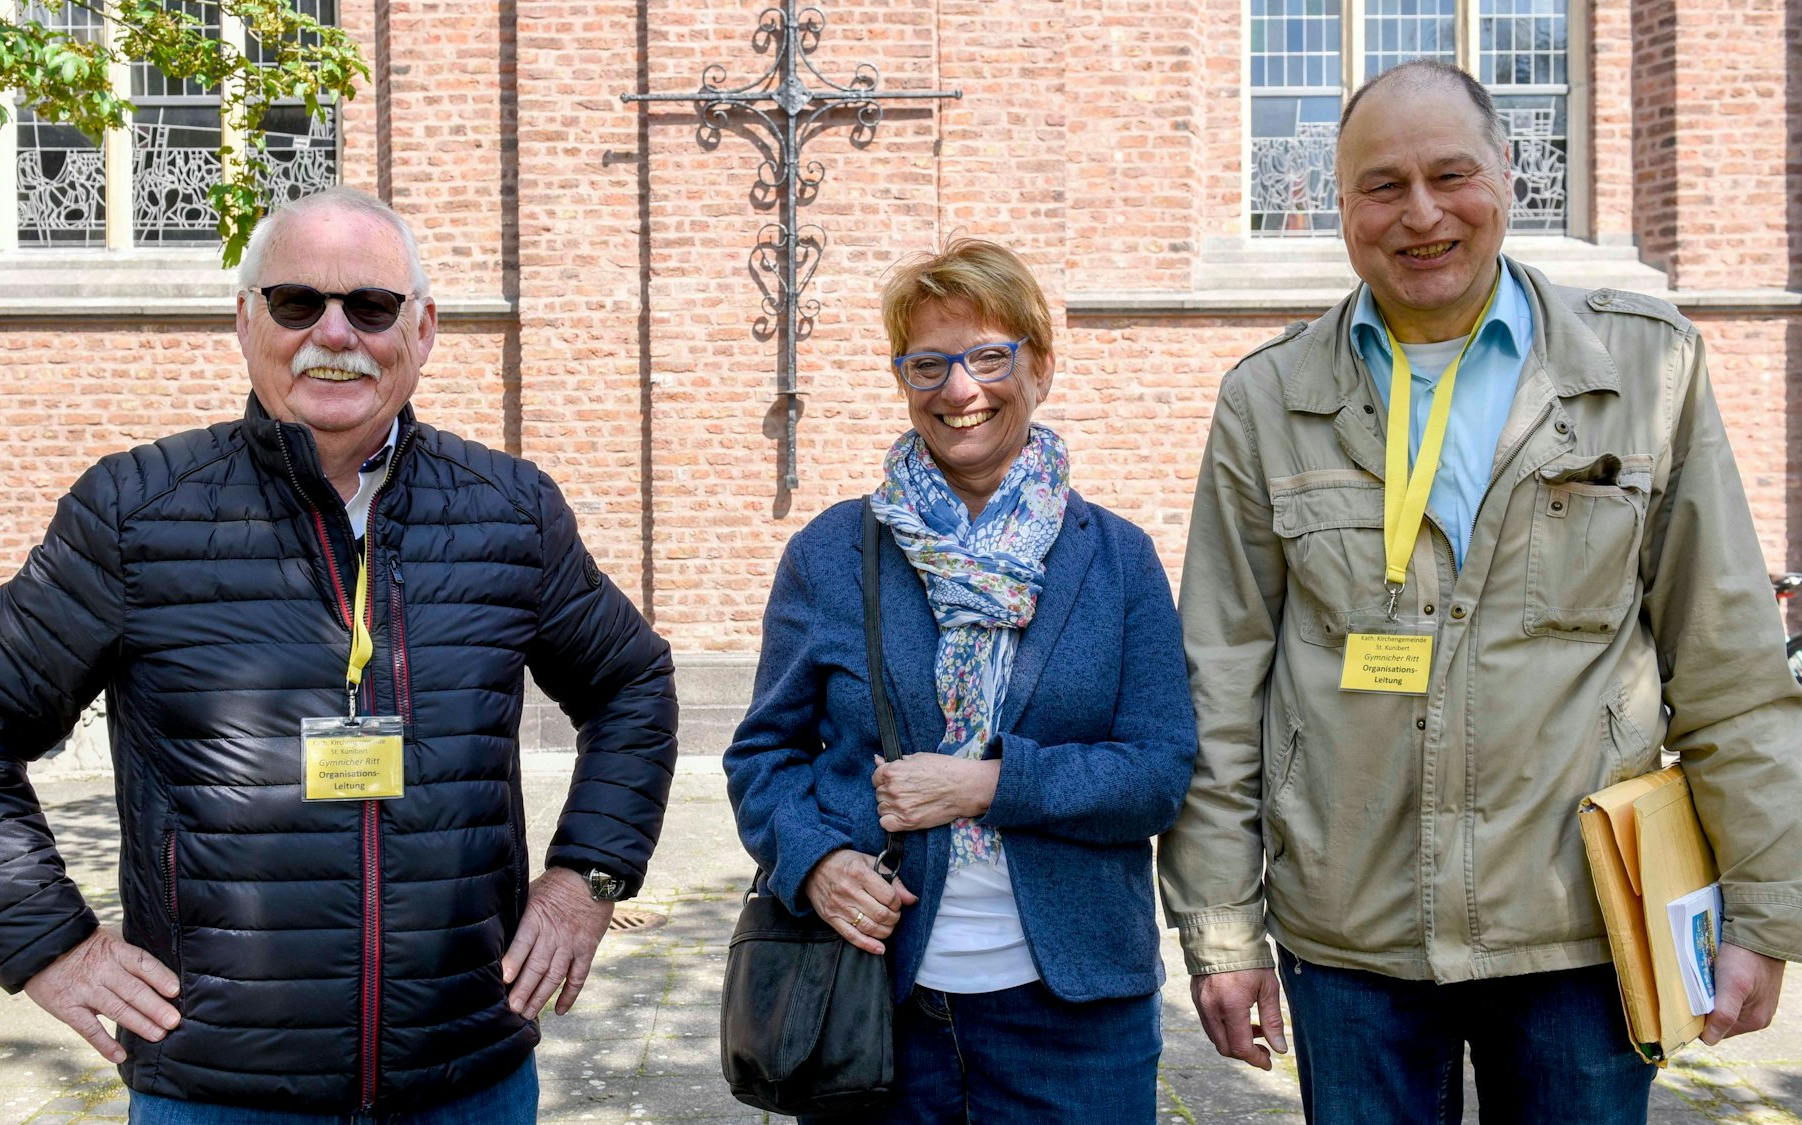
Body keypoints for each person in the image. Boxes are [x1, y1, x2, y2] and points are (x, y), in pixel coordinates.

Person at [0, 187, 678, 1123]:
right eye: (297, 302)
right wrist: (47, 944)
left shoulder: (508, 510)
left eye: (372, 306)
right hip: (221, 1086)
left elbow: (630, 681)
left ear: (423, 329)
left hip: (463, 1074)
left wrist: (586, 877)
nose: (335, 333)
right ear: (245, 321)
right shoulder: (138, 513)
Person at [1158, 60, 1802, 1123]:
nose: (1420, 214)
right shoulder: (1266, 402)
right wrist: (1221, 933)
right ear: (1338, 203)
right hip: (1348, 943)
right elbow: (1217, 685)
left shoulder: (1643, 372)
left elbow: (1726, 659)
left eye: (1450, 174)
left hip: (1581, 937)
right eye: (1380, 185)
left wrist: (1763, 914)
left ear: (1509, 172)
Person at [725, 238, 1197, 1123]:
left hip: (1077, 1017)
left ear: (1041, 366)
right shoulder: (833, 553)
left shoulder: (1117, 559)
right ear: (903, 378)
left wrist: (989, 784)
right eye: (929, 363)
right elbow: (762, 757)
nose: (960, 388)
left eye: (988, 356)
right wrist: (816, 861)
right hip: (874, 1006)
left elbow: (1157, 772)